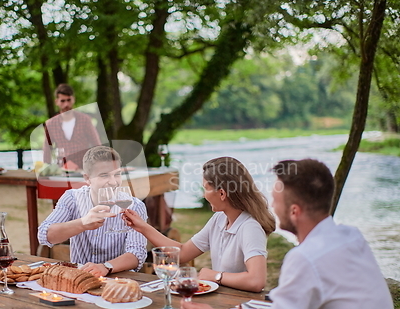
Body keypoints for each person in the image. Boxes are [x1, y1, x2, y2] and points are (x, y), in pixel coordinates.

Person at [181, 159, 396, 309]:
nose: (271, 206)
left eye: (276, 200)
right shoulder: (351, 237)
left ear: (294, 211)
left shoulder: (306, 257)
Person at [123, 157, 276, 292]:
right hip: (222, 299)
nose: (204, 194)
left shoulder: (250, 227)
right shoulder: (219, 219)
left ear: (222, 193)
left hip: (241, 307)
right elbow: (182, 253)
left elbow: (256, 281)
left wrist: (216, 276)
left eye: (206, 189)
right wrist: (142, 227)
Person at [37, 145, 148, 277]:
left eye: (117, 174)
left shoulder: (134, 206)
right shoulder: (72, 198)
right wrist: (83, 223)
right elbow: (44, 235)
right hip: (79, 278)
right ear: (87, 178)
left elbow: (137, 253)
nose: (113, 182)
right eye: (104, 175)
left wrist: (106, 267)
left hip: (119, 279)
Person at [43, 83, 101, 170]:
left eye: (69, 100)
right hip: (62, 170)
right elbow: (47, 149)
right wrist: (46, 170)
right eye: (62, 101)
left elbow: (96, 145)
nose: (66, 104)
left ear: (73, 99)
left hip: (84, 169)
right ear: (57, 102)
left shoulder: (85, 120)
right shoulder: (51, 124)